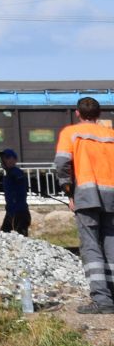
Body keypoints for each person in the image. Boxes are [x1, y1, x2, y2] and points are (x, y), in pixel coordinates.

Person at [56, 97, 114, 314]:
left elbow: (62, 163)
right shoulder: (111, 135)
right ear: (99, 115)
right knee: (111, 243)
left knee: (91, 245)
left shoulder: (70, 133)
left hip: (87, 196)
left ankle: (102, 299)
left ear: (78, 113)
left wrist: (68, 190)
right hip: (112, 197)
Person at [0, 149, 30, 236]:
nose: (4, 160)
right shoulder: (7, 175)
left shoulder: (17, 172)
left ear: (15, 160)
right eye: (2, 158)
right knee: (3, 235)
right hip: (10, 211)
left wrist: (13, 174)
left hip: (19, 212)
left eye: (8, 157)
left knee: (20, 236)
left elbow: (19, 178)